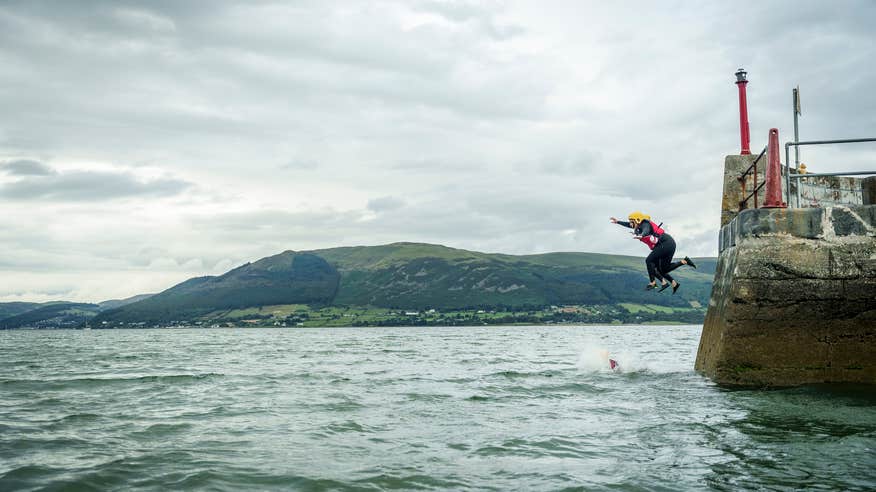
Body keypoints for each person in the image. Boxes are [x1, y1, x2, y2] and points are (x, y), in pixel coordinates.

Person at [610, 211, 696, 293]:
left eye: (631, 221)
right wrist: (618, 222)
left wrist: (641, 235)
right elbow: (629, 225)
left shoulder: (645, 224)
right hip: (667, 245)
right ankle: (683, 263)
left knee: (648, 260)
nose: (630, 223)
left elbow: (646, 230)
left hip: (665, 243)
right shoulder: (639, 226)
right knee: (662, 269)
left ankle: (653, 283)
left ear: (637, 220)